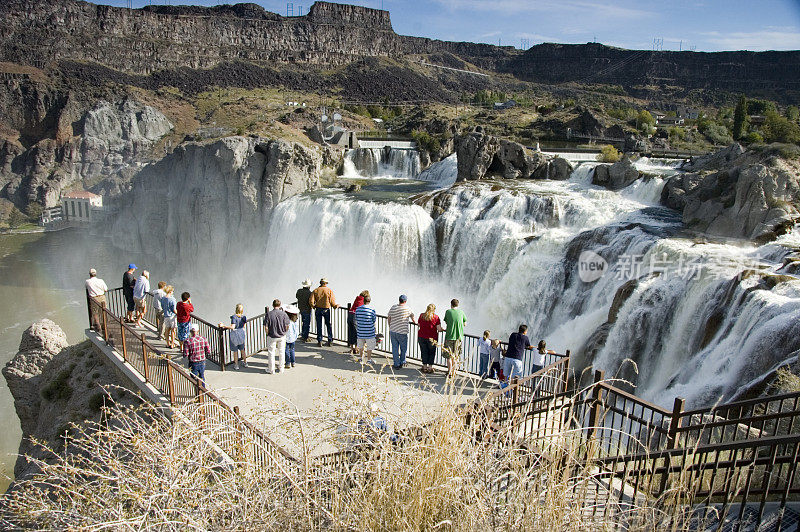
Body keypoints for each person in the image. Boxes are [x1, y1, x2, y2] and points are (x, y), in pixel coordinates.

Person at [388, 294, 416, 370]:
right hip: (402, 332)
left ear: (399, 300)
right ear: (405, 301)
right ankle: (402, 361)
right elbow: (413, 319)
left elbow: (389, 317)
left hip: (393, 330)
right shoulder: (408, 309)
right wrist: (416, 323)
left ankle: (396, 364)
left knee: (395, 348)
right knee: (403, 348)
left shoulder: (393, 307)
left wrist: (390, 326)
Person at [263, 299, 290, 374]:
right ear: (280, 305)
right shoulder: (283, 314)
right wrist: (284, 332)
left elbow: (266, 327)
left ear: (273, 305)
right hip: (281, 336)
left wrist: (268, 333)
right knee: (281, 352)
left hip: (272, 336)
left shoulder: (269, 314)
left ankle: (271, 370)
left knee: (271, 353)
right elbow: (287, 325)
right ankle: (281, 369)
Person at [309, 277, 338, 347]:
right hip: (326, 310)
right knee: (328, 325)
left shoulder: (315, 290)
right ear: (326, 283)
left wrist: (313, 306)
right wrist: (335, 306)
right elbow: (332, 301)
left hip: (318, 309)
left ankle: (320, 341)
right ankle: (330, 341)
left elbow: (311, 301)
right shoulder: (329, 291)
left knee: (319, 325)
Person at [443, 299, 467, 378]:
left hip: (449, 336)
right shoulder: (461, 312)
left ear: (451, 305)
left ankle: (449, 372)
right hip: (458, 337)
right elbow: (465, 323)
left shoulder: (448, 312)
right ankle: (454, 372)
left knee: (449, 356)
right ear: (458, 305)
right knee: (456, 356)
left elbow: (446, 322)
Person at [219, 304, 247, 370]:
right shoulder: (244, 317)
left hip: (235, 334)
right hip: (241, 333)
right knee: (242, 349)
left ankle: (236, 365)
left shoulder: (234, 317)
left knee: (235, 351)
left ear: (236, 309)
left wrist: (224, 326)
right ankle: (245, 363)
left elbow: (232, 327)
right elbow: (244, 325)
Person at [417, 303, 443, 374]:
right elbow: (439, 329)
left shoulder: (422, 315)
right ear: (434, 310)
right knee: (431, 352)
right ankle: (430, 367)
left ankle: (424, 367)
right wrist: (443, 329)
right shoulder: (436, 317)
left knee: (424, 351)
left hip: (421, 337)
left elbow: (419, 324)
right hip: (432, 338)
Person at [354, 294, 377, 365]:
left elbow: (356, 319)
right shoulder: (372, 310)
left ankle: (361, 358)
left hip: (360, 331)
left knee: (361, 346)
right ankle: (369, 360)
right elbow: (374, 320)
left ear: (363, 301)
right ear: (370, 301)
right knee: (369, 347)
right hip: (369, 332)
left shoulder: (358, 309)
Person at [85, 268, 108, 332]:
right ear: (95, 274)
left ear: (90, 274)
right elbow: (106, 289)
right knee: (103, 311)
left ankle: (98, 325)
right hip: (102, 297)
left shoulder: (87, 281)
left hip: (94, 299)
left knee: (95, 312)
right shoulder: (101, 280)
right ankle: (104, 324)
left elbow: (86, 287)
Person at [348, 290, 368, 354]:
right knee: (357, 333)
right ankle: (357, 349)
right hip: (355, 317)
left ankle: (352, 349)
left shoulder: (357, 299)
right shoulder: (363, 301)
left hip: (350, 315)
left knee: (351, 332)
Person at [284, 304, 300, 369]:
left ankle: (287, 363)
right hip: (293, 338)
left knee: (286, 350)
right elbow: (296, 330)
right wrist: (295, 337)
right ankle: (293, 362)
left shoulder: (286, 321)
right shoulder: (294, 321)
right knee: (292, 350)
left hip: (286, 338)